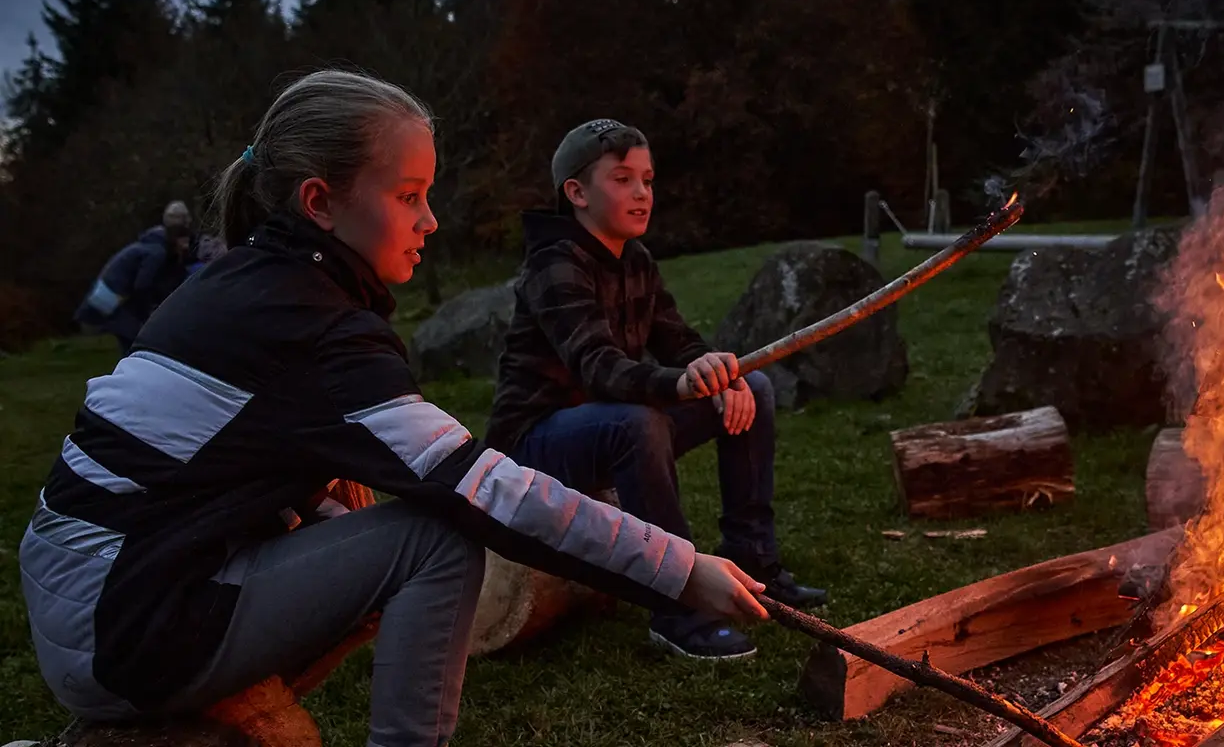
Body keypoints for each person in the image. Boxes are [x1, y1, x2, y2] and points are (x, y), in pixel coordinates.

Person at [18, 71, 765, 745]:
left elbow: (220, 465)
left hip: (93, 595)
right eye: (409, 195)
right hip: (120, 626)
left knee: (361, 504)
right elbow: (481, 488)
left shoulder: (246, 285)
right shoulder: (314, 326)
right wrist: (678, 567)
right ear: (320, 203)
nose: (431, 220)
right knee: (434, 540)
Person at [486, 118, 826, 661]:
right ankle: (677, 605)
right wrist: (680, 384)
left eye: (647, 179)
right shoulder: (553, 264)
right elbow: (598, 365)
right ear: (576, 192)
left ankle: (754, 563)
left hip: (606, 427)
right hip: (536, 446)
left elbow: (678, 340)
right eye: (622, 179)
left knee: (755, 386)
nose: (642, 192)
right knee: (636, 421)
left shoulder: (635, 259)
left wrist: (718, 376)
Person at [73, 200, 197, 353]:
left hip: (113, 296)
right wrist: (148, 313)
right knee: (134, 340)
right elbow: (142, 286)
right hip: (116, 299)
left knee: (133, 338)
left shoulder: (151, 245)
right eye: (183, 241)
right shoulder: (156, 253)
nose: (185, 246)